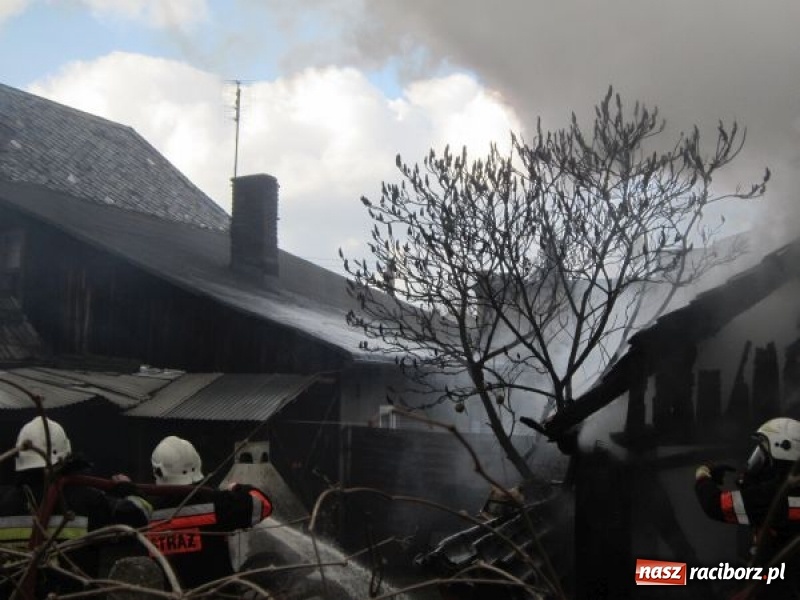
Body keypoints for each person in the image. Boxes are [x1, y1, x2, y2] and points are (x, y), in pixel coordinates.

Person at [0, 416, 152, 597]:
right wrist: (127, 490)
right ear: (66, 455)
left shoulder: (4, 503)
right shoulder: (86, 500)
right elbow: (139, 517)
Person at [145, 435, 272, 590]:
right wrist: (236, 488)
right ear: (198, 464)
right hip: (218, 594)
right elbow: (263, 504)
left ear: (158, 471)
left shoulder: (150, 515)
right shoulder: (216, 504)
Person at [695, 417, 800, 598]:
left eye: (762, 456)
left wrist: (703, 476)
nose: (757, 461)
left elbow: (715, 505)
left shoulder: (772, 497)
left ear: (781, 453)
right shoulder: (786, 493)